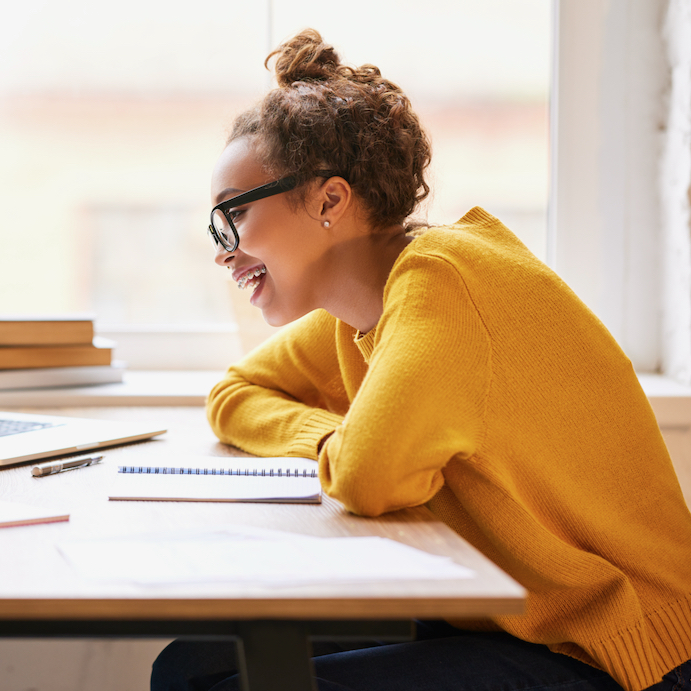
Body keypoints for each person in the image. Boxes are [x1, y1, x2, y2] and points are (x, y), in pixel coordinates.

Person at [151, 29, 691, 691]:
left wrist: (352, 446)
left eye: (231, 217)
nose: (221, 249)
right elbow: (234, 394)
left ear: (329, 201)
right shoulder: (363, 310)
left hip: (620, 649)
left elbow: (367, 476)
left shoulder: (442, 282)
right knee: (189, 666)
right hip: (507, 618)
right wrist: (334, 436)